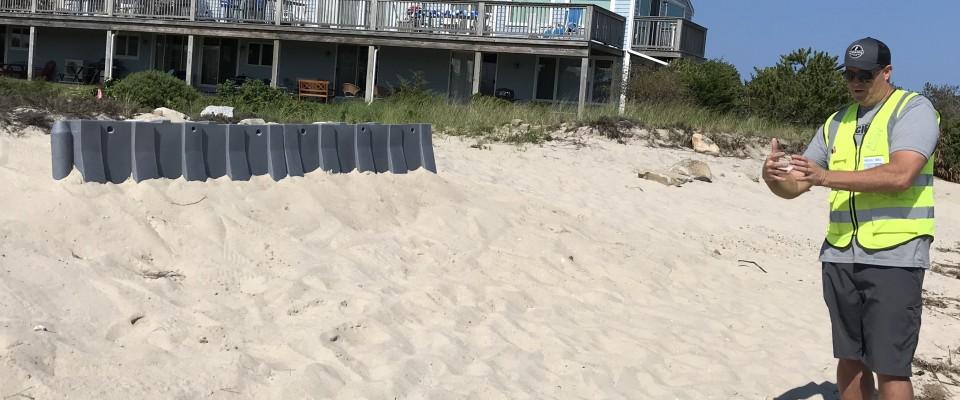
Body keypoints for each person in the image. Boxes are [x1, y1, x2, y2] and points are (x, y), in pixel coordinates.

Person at [762, 37, 941, 400]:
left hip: (895, 255)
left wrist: (824, 177)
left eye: (865, 74)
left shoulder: (914, 109)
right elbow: (799, 185)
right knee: (849, 357)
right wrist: (774, 179)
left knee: (891, 366)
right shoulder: (836, 121)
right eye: (849, 75)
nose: (856, 82)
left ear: (887, 72)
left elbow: (900, 175)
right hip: (841, 253)